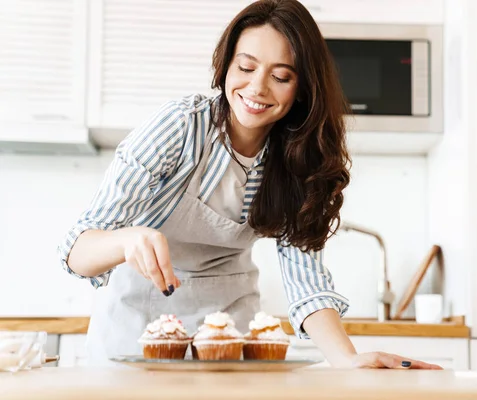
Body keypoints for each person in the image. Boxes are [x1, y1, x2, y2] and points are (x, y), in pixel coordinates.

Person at [58, 0, 441, 369]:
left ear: (302, 88)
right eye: (245, 67)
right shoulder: (179, 127)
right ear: (226, 65)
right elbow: (77, 251)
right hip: (134, 333)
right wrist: (127, 241)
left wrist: (346, 359)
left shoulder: (297, 161)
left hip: (229, 333)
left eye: (280, 77)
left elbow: (305, 283)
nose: (257, 88)